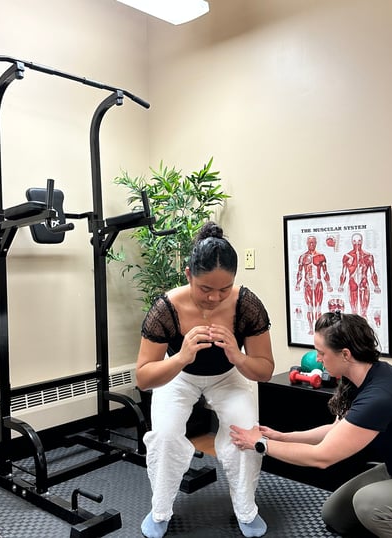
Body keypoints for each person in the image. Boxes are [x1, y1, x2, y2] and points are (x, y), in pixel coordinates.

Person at [229, 312, 392, 538]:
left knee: (368, 504)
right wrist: (282, 436)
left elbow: (322, 457)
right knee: (335, 515)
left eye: (322, 352)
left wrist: (260, 444)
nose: (317, 359)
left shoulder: (381, 395)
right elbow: (335, 431)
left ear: (345, 354)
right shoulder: (360, 378)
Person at [136, 222, 275, 538]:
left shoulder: (246, 305)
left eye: (224, 289)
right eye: (205, 288)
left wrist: (237, 356)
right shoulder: (166, 308)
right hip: (178, 376)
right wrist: (181, 357)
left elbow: (265, 370)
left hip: (229, 376)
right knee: (165, 436)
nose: (214, 298)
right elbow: (143, 378)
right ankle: (160, 511)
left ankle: (246, 510)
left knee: (246, 434)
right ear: (188, 275)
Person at [294, 235, 333, 335]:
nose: (311, 244)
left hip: (318, 283)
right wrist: (298, 284)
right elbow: (299, 272)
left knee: (318, 308)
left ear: (316, 243)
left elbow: (325, 272)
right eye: (310, 242)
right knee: (310, 307)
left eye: (313, 242)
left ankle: (318, 329)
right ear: (307, 243)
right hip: (307, 284)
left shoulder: (321, 256)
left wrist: (328, 284)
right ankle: (311, 328)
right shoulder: (302, 257)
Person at [338, 233, 381, 318]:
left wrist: (376, 286)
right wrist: (341, 285)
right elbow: (343, 273)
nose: (357, 243)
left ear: (362, 241)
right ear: (352, 242)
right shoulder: (347, 256)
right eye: (354, 241)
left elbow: (373, 272)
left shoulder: (368, 256)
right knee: (353, 312)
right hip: (352, 283)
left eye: (359, 241)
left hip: (363, 283)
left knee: (364, 313)